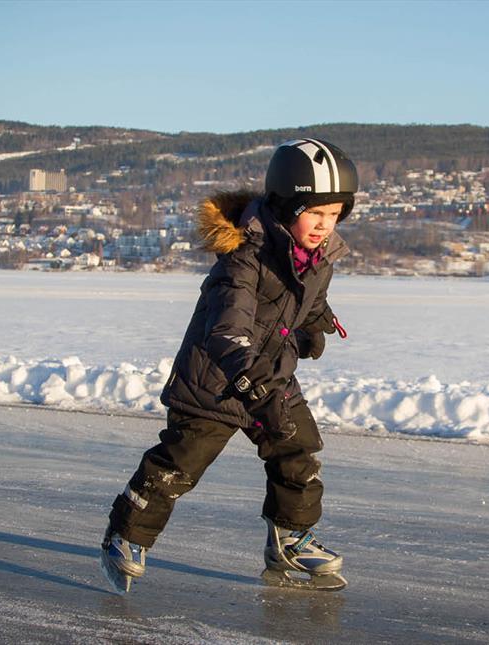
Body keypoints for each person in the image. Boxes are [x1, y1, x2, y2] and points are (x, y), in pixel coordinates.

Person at [101, 138, 357, 593]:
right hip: (214, 381)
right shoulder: (244, 260)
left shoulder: (318, 260)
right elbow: (226, 333)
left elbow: (307, 298)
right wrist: (253, 385)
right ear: (284, 205)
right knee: (181, 463)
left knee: (297, 450)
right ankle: (126, 535)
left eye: (334, 214)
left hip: (270, 374)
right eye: (314, 212)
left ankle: (289, 541)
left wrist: (318, 323)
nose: (324, 225)